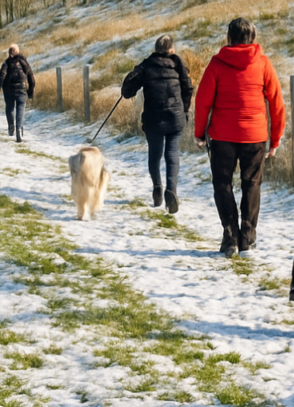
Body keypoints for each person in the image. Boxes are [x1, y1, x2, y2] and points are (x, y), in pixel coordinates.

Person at [194, 17, 285, 259]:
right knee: (252, 183)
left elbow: (203, 101)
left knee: (222, 184)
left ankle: (229, 235)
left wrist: (199, 132)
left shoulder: (217, 64)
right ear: (253, 39)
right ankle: (247, 237)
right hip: (254, 135)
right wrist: (275, 139)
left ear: (229, 38)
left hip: (222, 135)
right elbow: (277, 103)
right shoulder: (263, 64)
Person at [121, 35, 193, 213]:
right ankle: (171, 191)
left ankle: (157, 188)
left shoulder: (147, 65)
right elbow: (188, 88)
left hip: (153, 118)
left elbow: (127, 91)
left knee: (155, 154)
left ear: (156, 49)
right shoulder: (178, 65)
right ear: (171, 49)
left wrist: (133, 74)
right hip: (175, 117)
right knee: (172, 152)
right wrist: (184, 109)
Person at [0, 44, 35, 143]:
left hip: (8, 90)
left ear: (9, 53)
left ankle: (11, 127)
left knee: (9, 108)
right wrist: (31, 90)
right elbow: (31, 76)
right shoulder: (23, 62)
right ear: (17, 52)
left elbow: (1, 76)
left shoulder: (6, 63)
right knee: (20, 108)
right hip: (21, 89)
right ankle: (19, 128)